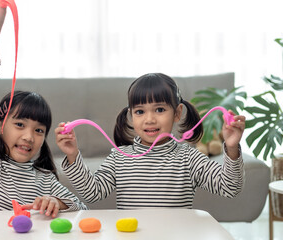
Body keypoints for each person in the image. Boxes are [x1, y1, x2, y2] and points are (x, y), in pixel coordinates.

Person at [0, 0, 87, 216]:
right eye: (20, 124)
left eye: (39, 130)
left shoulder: (43, 177)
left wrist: (56, 201)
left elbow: (80, 206)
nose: (29, 136)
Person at [55, 73, 245, 209]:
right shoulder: (119, 158)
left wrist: (231, 147)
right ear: (131, 116)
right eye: (140, 112)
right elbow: (91, 194)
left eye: (160, 110)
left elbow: (229, 188)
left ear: (177, 113)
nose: (150, 119)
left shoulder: (189, 158)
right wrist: (72, 156)